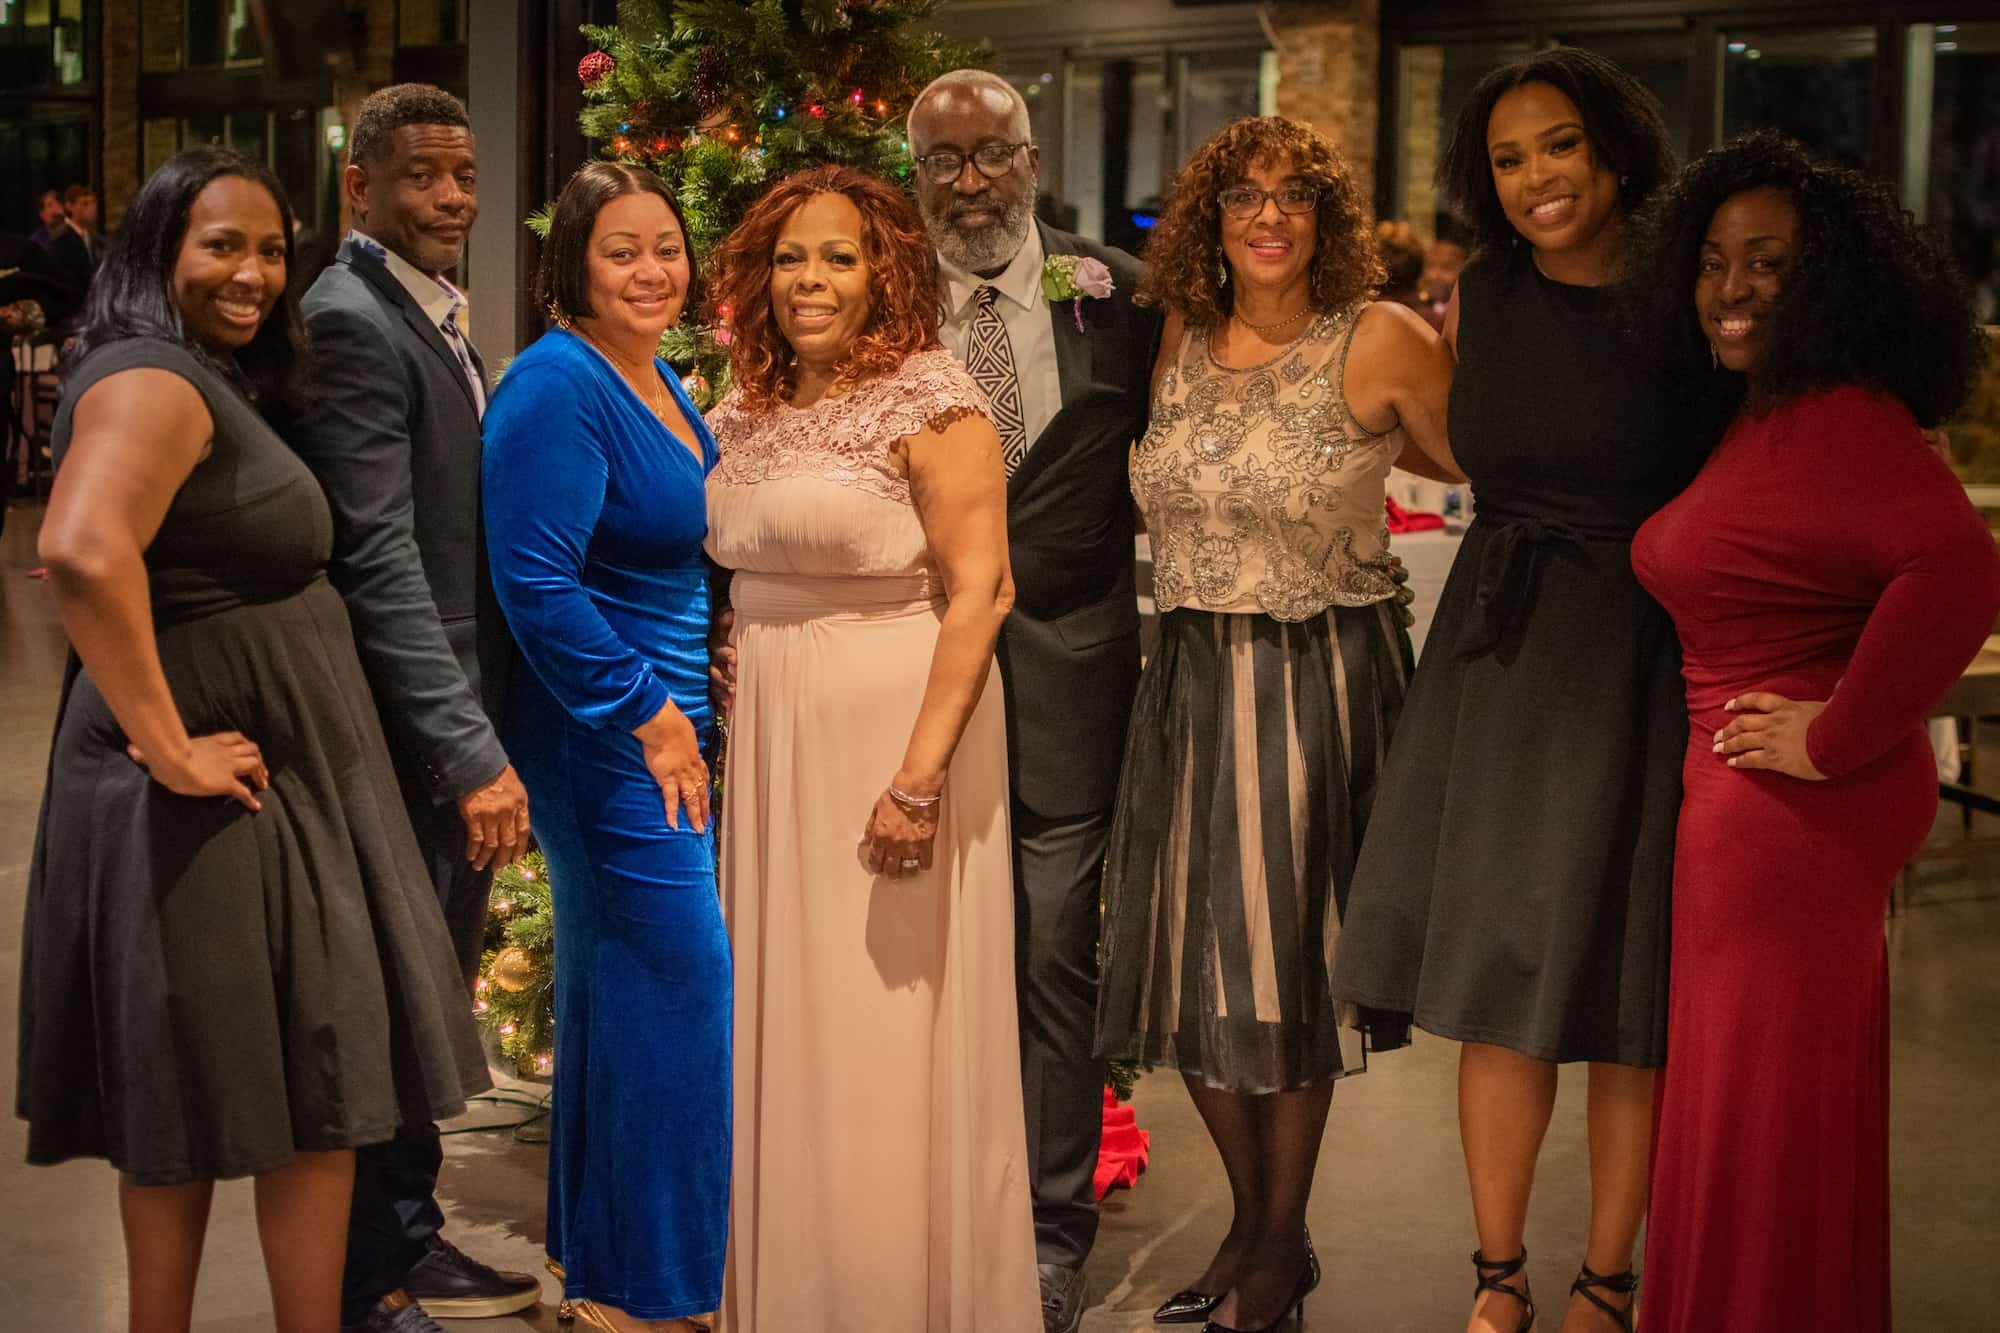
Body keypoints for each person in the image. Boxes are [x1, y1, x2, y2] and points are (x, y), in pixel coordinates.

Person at [15, 144, 489, 1333]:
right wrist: (168, 743)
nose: (256, 273)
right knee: (221, 1091)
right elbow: (77, 547)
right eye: (220, 244)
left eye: (272, 248)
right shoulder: (150, 378)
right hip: (208, 795)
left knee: (308, 1084)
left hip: (268, 785)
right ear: (158, 250)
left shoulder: (198, 373)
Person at [1328, 47, 1688, 1333]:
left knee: (1623, 984)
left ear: (1612, 147)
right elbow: (1434, 440)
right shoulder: (1478, 291)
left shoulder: (1682, 287)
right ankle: (1496, 1277)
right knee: (1497, 974)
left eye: (1559, 145)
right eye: (1507, 156)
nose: (1537, 176)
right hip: (1500, 643)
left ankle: (1605, 1277)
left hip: (1644, 648)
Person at [1627, 131, 2000, 1333]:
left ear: (1828, 279)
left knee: (1755, 1107)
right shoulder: (1769, 411)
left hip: (1782, 817)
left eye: (1768, 263)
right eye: (1714, 261)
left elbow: (1956, 572)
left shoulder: (1841, 414)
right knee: (1774, 1104)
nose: (1731, 289)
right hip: (1768, 810)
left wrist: (1837, 737)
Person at [1094, 115, 1461, 1333]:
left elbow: (1512, 479)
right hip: (1187, 679)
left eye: (1292, 195)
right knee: (1193, 965)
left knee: (1284, 972)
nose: (1266, 215)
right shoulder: (1179, 338)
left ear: (1324, 217)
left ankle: (1271, 1242)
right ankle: (1259, 1233)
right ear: (1210, 216)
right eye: (1243, 195)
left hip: (1316, 686)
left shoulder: (1379, 340)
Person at [703, 163, 1039, 1332]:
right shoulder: (746, 401)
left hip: (892, 737)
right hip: (775, 744)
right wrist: (732, 642)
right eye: (791, 255)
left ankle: (892, 1295)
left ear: (884, 270)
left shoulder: (929, 398)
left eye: (838, 257)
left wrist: (917, 778)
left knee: (879, 1029)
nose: (810, 279)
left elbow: (981, 591)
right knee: (786, 1013)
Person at [903, 69, 1161, 1333]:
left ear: (1030, 155)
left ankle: (1050, 1230)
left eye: (990, 154)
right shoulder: (877, 297)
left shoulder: (1117, 295)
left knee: (1055, 947)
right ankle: (923, 1197)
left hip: (1073, 672)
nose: (969, 182)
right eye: (943, 159)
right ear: (914, 171)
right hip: (907, 687)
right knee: (917, 957)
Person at [288, 84, 540, 1332]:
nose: (453, 197)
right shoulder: (348, 319)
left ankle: (410, 1231)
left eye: (464, 173)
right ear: (362, 188)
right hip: (404, 734)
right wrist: (464, 748)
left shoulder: (425, 313)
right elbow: (379, 558)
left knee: (428, 989)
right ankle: (358, 1285)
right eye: (424, 177)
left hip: (452, 716)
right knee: (391, 1005)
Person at [481, 161, 728, 1333]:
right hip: (607, 736)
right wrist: (651, 709)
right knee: (680, 987)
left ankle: (607, 1272)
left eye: (665, 245)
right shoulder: (555, 384)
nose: (650, 269)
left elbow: (670, 559)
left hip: (661, 725)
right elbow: (533, 581)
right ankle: (656, 1287)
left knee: (624, 993)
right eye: (621, 249)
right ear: (573, 261)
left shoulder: (659, 374)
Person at [49, 184, 102, 290]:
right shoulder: (62, 238)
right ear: (70, 206)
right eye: (85, 204)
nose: (92, 209)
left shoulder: (94, 237)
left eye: (93, 203)